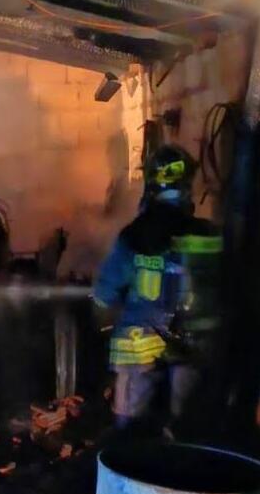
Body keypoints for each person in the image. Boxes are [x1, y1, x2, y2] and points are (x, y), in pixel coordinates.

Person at [92, 144, 224, 440]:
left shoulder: (135, 234)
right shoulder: (209, 235)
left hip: (139, 347)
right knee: (186, 432)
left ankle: (132, 473)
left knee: (131, 435)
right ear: (188, 185)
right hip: (194, 347)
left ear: (151, 183)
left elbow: (104, 294)